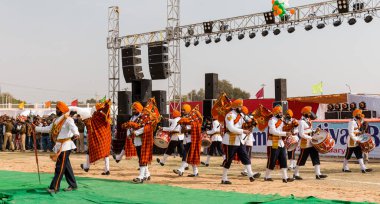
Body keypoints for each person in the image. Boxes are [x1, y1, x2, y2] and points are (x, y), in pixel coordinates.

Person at [34, 101, 79, 193]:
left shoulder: (67, 119)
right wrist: (35, 128)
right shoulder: (56, 120)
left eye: (57, 109)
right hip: (59, 146)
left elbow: (74, 127)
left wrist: (76, 134)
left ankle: (54, 187)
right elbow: (48, 129)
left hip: (65, 146)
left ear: (62, 110)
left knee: (59, 168)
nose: (56, 110)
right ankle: (73, 185)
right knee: (66, 166)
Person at [220, 99, 260, 185]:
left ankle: (250, 175)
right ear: (235, 107)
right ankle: (224, 178)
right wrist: (243, 131)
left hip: (240, 140)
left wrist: (253, 123)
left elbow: (248, 121)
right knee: (228, 160)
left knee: (245, 157)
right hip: (230, 140)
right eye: (239, 106)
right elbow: (231, 128)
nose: (241, 107)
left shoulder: (241, 114)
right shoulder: (229, 115)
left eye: (241, 106)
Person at [293, 106, 327, 180]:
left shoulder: (308, 120)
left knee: (315, 157)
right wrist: (311, 137)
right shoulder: (301, 122)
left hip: (311, 141)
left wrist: (314, 131)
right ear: (305, 113)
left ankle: (318, 174)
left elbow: (309, 130)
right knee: (302, 158)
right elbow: (301, 134)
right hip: (305, 142)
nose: (310, 114)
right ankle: (295, 174)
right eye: (309, 112)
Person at [81, 100, 112, 175]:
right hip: (106, 138)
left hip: (97, 138)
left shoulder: (95, 117)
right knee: (106, 153)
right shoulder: (106, 117)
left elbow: (89, 126)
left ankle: (86, 166)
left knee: (90, 151)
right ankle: (107, 169)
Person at [264, 106, 294, 183]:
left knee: (283, 159)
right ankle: (267, 176)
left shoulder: (282, 120)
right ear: (276, 113)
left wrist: (292, 126)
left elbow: (286, 127)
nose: (281, 113)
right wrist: (285, 133)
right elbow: (272, 131)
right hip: (273, 142)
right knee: (272, 160)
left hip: (281, 142)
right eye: (280, 112)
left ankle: (285, 178)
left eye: (281, 112)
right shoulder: (272, 120)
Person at [173, 104, 202, 177]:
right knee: (190, 155)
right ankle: (195, 172)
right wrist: (183, 127)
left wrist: (187, 129)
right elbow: (182, 131)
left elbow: (196, 127)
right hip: (187, 138)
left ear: (188, 110)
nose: (182, 111)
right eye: (182, 110)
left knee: (186, 153)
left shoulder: (193, 117)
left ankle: (181, 169)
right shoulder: (184, 118)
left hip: (193, 138)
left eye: (184, 110)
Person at [342, 109, 373, 173]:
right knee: (348, 155)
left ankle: (363, 168)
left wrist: (360, 138)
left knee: (359, 154)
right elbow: (350, 133)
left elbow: (359, 130)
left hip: (357, 139)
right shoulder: (352, 122)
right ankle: (345, 167)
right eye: (359, 114)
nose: (360, 116)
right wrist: (356, 139)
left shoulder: (358, 121)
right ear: (356, 115)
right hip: (351, 141)